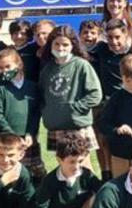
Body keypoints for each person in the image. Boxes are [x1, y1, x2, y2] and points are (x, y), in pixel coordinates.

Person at [38, 25, 101, 164]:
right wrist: (47, 111)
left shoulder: (81, 65)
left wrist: (75, 108)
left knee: (82, 165)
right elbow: (41, 95)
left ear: (73, 45)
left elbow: (95, 94)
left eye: (65, 44)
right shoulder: (47, 68)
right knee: (63, 165)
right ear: (51, 45)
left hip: (77, 126)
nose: (61, 48)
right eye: (57, 44)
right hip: (56, 126)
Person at [0, 48, 44, 181]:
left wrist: (30, 133)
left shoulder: (32, 87)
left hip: (28, 140)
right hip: (6, 140)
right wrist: (13, 136)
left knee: (34, 173)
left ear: (19, 64)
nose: (4, 71)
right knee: (7, 173)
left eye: (8, 66)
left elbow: (36, 113)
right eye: (0, 68)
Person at [89, 19, 132, 180]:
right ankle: (107, 174)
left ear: (126, 34)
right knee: (103, 141)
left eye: (117, 37)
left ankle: (131, 176)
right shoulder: (101, 50)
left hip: (127, 105)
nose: (114, 42)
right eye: (109, 38)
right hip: (105, 106)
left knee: (127, 141)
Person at [96, 53, 132, 178]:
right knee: (121, 187)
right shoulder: (116, 98)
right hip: (120, 154)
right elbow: (103, 124)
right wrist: (118, 129)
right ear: (122, 77)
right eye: (128, 80)